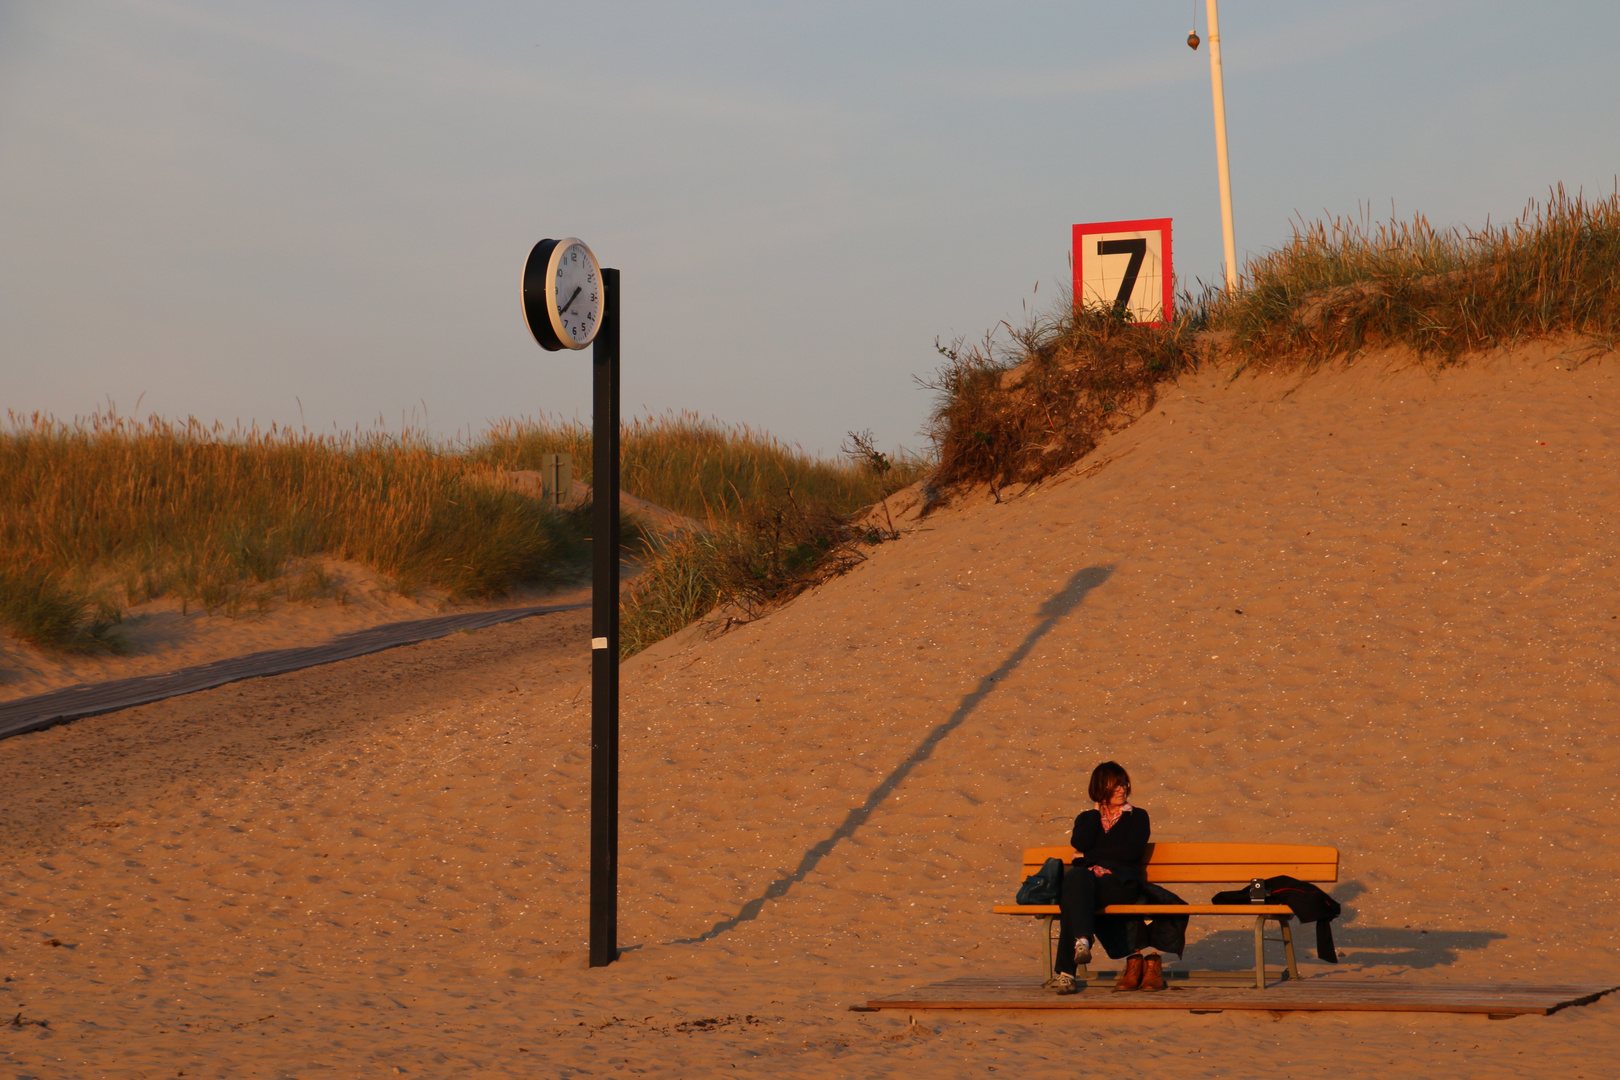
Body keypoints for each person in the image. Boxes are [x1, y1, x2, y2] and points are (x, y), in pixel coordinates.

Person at [1052, 761, 1189, 994]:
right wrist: (1096, 813)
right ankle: (1083, 941)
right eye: (1114, 785)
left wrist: (1089, 856)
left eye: (1124, 784)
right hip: (1090, 885)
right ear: (1099, 788)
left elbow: (1130, 852)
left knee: (1074, 892)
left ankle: (1067, 972)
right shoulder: (1087, 818)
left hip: (1122, 884)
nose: (1121, 789)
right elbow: (1080, 842)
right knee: (1076, 878)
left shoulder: (1137, 817)